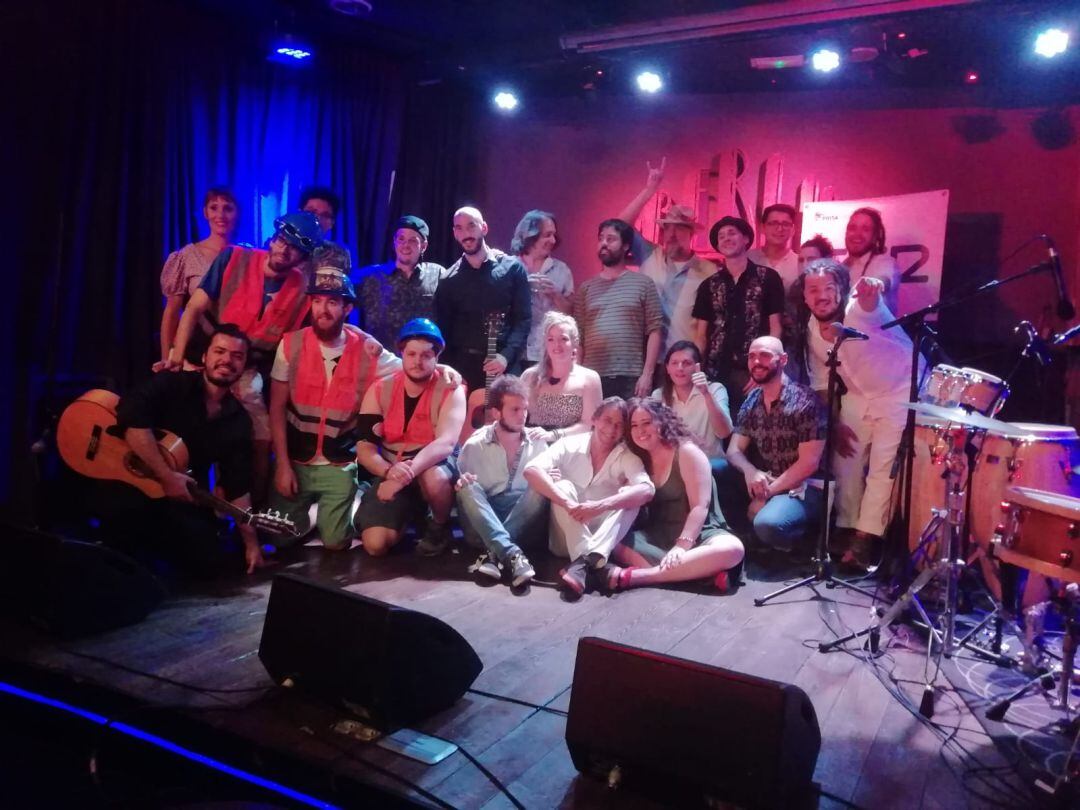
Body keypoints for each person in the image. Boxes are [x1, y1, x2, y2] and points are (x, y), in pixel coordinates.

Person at [159, 211, 324, 503]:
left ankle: (252, 513)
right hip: (207, 359)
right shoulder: (234, 258)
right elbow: (193, 309)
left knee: (262, 437)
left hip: (248, 370)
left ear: (302, 257)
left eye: (294, 248)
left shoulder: (302, 290)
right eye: (281, 241)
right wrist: (176, 355)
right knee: (187, 432)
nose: (284, 251)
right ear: (272, 239)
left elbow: (296, 346)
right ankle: (182, 502)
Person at [106, 325, 264, 576]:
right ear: (205, 357)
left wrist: (252, 543)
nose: (227, 360)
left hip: (181, 498)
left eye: (237, 356)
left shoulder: (238, 420)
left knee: (212, 560)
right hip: (128, 485)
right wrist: (166, 475)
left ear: (244, 365)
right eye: (220, 351)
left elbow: (238, 485)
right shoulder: (172, 384)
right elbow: (130, 415)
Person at [267, 269, 402, 552]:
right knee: (279, 538)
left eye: (332, 302)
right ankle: (316, 512)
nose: (322, 310)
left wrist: (444, 370)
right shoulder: (290, 344)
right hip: (296, 460)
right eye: (317, 301)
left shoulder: (368, 350)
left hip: (338, 462)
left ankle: (355, 494)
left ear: (347, 308)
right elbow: (276, 409)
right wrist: (281, 465)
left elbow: (411, 367)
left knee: (336, 543)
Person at [803, 259, 917, 568]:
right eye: (813, 290)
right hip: (857, 394)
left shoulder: (861, 307)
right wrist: (835, 421)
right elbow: (820, 381)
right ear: (804, 296)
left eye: (829, 288)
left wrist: (872, 288)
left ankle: (866, 539)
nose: (821, 296)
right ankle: (846, 526)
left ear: (841, 290)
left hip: (898, 391)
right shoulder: (812, 329)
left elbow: (872, 295)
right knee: (845, 461)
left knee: (882, 468)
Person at [354, 318, 466, 557]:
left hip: (430, 467)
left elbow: (445, 443)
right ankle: (409, 513)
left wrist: (402, 478)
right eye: (412, 354)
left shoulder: (451, 388)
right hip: (392, 468)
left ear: (437, 357)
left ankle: (438, 526)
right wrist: (387, 472)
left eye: (426, 355)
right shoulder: (380, 389)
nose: (418, 361)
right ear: (401, 354)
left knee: (434, 477)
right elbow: (365, 449)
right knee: (374, 545)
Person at [523, 397, 655, 598]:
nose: (612, 429)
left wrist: (600, 506)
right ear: (594, 419)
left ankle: (585, 563)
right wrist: (568, 503)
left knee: (629, 495)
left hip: (604, 540)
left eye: (619, 425)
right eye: (607, 420)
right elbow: (531, 470)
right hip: (564, 538)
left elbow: (647, 490)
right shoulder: (568, 444)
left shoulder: (627, 455)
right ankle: (590, 560)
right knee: (562, 486)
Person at [608, 398, 744, 591]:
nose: (640, 431)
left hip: (699, 533)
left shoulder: (687, 451)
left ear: (662, 421)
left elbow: (700, 506)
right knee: (612, 541)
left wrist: (681, 547)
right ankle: (701, 576)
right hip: (656, 535)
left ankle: (643, 577)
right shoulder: (637, 458)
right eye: (634, 425)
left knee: (733, 550)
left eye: (647, 423)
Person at [713, 337, 827, 554]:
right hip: (767, 481)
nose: (757, 362)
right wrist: (751, 471)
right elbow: (734, 451)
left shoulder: (805, 400)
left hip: (803, 487)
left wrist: (764, 495)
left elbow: (809, 464)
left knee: (769, 525)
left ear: (783, 359)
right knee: (713, 469)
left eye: (765, 355)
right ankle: (743, 536)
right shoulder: (753, 399)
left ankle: (799, 541)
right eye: (752, 356)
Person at [456, 375, 550, 588]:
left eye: (524, 409)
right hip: (482, 525)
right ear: (497, 413)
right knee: (466, 487)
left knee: (542, 484)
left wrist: (550, 479)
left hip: (523, 523)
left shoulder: (538, 444)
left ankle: (495, 554)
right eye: (515, 410)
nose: (522, 415)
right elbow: (466, 497)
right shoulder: (475, 444)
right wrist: (463, 482)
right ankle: (512, 553)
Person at [617, 158, 717, 353]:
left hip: (682, 360)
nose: (671, 235)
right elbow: (618, 226)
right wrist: (649, 190)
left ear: (691, 233)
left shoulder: (707, 270)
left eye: (679, 229)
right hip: (644, 356)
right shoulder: (649, 255)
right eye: (667, 228)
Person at [692, 216, 784, 414]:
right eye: (721, 236)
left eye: (732, 233)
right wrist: (698, 371)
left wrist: (766, 370)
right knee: (720, 431)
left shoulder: (768, 278)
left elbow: (775, 327)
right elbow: (700, 335)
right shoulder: (709, 285)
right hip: (716, 372)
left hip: (753, 370)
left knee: (755, 431)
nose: (726, 238)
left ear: (745, 239)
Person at [434, 206, 532, 393]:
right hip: (464, 369)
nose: (466, 234)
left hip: (505, 366)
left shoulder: (512, 269)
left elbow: (523, 319)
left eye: (471, 226)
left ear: (484, 228)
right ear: (454, 233)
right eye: (459, 228)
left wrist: (505, 356)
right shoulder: (448, 280)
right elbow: (444, 332)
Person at [573, 219, 664, 399]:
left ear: (625, 246)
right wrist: (577, 375)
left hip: (631, 376)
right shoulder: (586, 288)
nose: (604, 243)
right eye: (601, 239)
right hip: (592, 376)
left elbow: (655, 330)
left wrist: (647, 375)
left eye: (611, 239)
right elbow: (579, 336)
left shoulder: (643, 283)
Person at [158, 187, 239, 369]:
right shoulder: (187, 256)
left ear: (237, 212)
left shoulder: (248, 255)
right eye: (214, 207)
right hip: (194, 352)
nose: (221, 214)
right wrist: (167, 357)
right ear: (205, 212)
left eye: (228, 208)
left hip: (234, 353)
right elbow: (171, 312)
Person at [352, 215, 445, 346]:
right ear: (394, 242)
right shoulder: (370, 276)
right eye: (401, 239)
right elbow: (341, 301)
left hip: (422, 360)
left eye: (413, 240)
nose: (405, 245)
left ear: (423, 246)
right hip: (381, 360)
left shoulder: (437, 274)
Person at [521, 312, 602, 440]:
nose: (557, 345)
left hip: (571, 448)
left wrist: (553, 435)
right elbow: (516, 416)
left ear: (575, 342)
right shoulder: (529, 376)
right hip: (534, 445)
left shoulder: (590, 378)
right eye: (551, 339)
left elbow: (589, 424)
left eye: (563, 339)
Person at [511, 210, 574, 368]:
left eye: (554, 235)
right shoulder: (509, 267)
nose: (553, 240)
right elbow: (497, 310)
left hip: (548, 354)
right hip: (513, 353)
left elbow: (572, 313)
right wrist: (522, 287)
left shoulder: (561, 270)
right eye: (547, 235)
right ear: (529, 236)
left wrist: (554, 295)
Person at [653, 340, 732, 462]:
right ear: (667, 368)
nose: (680, 368)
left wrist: (706, 394)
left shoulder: (715, 389)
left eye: (686, 363)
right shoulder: (659, 395)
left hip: (711, 462)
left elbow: (724, 432)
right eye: (674, 363)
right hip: (675, 463)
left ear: (697, 367)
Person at [842, 207, 900, 314]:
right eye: (852, 228)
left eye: (865, 229)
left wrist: (875, 284)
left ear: (875, 236)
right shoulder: (840, 267)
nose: (857, 234)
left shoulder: (885, 263)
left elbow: (884, 280)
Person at [300, 185, 353, 275]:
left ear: (332, 223)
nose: (317, 219)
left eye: (325, 215)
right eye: (311, 212)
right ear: (299, 214)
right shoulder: (281, 244)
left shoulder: (339, 254)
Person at [748, 204, 800, 292]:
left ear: (793, 230)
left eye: (785, 224)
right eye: (773, 223)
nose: (780, 229)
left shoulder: (800, 263)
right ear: (762, 227)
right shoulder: (748, 259)